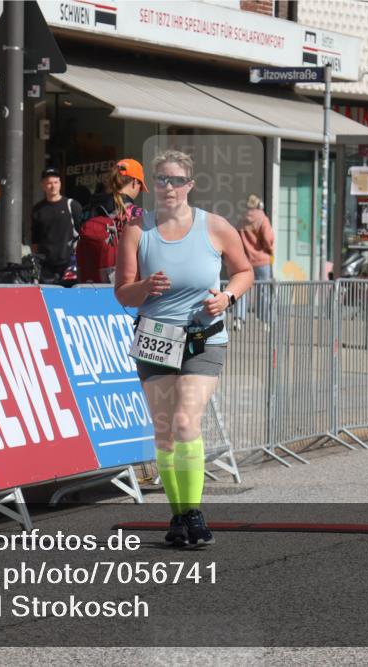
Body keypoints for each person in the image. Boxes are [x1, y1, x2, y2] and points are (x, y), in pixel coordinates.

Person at [115, 150, 253, 547]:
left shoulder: (216, 226)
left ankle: (193, 512)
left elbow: (244, 272)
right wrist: (144, 287)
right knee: (164, 430)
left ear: (190, 185)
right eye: (162, 179)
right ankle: (178, 517)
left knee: (185, 422)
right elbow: (122, 292)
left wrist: (226, 297)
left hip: (202, 338)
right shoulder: (137, 229)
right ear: (152, 185)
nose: (169, 187)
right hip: (155, 338)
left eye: (177, 180)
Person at [78, 158, 147, 283]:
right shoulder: (138, 214)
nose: (138, 190)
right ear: (134, 182)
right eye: (140, 186)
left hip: (91, 282)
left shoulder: (89, 208)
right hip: (123, 283)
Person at [31, 168, 82, 282]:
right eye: (49, 183)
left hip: (70, 263)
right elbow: (35, 239)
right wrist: (36, 262)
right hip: (46, 266)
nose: (53, 186)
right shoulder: (38, 210)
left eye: (56, 182)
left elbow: (82, 233)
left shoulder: (72, 205)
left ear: (60, 183)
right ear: (43, 185)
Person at [234, 194, 275, 328]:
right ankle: (265, 321)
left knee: (242, 289)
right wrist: (270, 249)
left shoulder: (242, 220)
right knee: (264, 291)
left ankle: (238, 319)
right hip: (262, 261)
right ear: (260, 205)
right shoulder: (263, 219)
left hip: (246, 261)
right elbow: (268, 239)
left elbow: (236, 239)